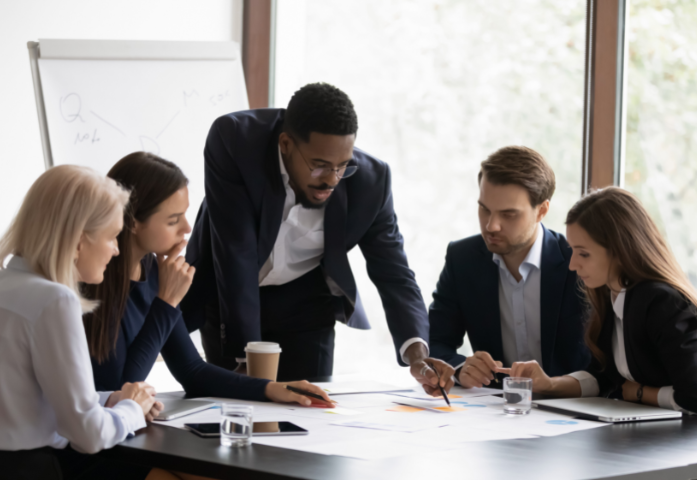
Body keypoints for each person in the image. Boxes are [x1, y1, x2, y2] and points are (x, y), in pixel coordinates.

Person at [181, 82, 454, 393]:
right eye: (320, 166)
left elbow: (394, 271)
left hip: (306, 302)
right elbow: (236, 252)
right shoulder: (235, 141)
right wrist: (247, 359)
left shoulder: (371, 181)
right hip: (230, 295)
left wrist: (418, 356)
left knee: (310, 409)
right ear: (285, 144)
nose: (331, 180)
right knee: (235, 407)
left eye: (342, 166)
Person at [83, 152, 336, 412]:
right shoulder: (94, 280)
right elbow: (119, 391)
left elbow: (191, 370)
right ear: (133, 222)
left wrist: (271, 388)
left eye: (184, 215)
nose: (187, 228)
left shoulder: (155, 271)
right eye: (173, 220)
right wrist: (167, 302)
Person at [0, 165, 160, 479]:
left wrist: (110, 399)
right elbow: (89, 434)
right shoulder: (55, 300)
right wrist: (132, 410)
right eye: (113, 236)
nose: (116, 250)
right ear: (77, 241)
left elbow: (29, 396)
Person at [501, 187, 697, 414]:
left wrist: (639, 393)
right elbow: (603, 377)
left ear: (620, 250)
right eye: (572, 251)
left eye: (583, 253)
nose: (572, 265)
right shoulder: (612, 295)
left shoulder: (660, 301)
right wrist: (549, 384)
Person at [429, 146, 590, 389]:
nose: (491, 226)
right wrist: (461, 369)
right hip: (494, 410)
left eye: (509, 214)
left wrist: (554, 386)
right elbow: (434, 341)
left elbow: (604, 362)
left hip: (570, 408)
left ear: (542, 211)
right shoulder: (462, 258)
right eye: (484, 209)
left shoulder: (577, 262)